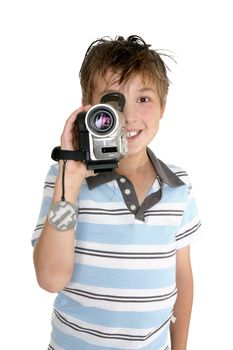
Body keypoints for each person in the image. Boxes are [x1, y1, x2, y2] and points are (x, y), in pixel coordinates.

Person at [32, 35, 201, 350]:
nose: (129, 117)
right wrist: (70, 181)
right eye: (114, 102)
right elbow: (50, 278)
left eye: (144, 99)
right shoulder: (64, 178)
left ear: (163, 106)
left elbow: (182, 280)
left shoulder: (178, 185)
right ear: (90, 112)